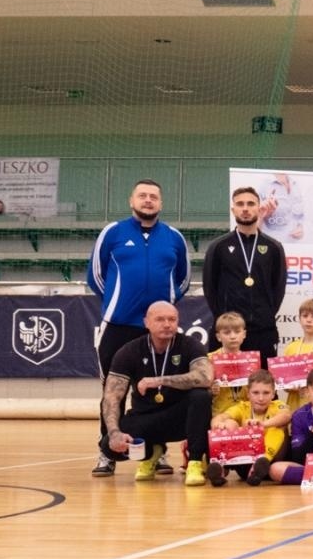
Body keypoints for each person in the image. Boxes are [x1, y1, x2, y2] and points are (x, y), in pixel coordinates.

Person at [89, 180, 191, 477]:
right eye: (143, 196)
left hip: (159, 330)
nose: (148, 201)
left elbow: (182, 280)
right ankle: (107, 453)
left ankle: (157, 452)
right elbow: (96, 276)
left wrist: (160, 312)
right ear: (131, 200)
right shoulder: (113, 232)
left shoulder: (174, 237)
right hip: (118, 326)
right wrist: (118, 304)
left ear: (161, 203)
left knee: (162, 388)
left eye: (154, 197)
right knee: (112, 392)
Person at [100, 301, 212, 486]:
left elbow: (205, 377)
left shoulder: (190, 345)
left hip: (182, 418)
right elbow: (112, 396)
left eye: (172, 319)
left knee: (201, 396)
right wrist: (114, 432)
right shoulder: (129, 351)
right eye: (160, 319)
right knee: (109, 447)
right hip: (147, 417)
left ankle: (195, 461)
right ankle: (152, 453)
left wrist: (159, 380)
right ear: (146, 323)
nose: (167, 324)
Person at [202, 186, 286, 357]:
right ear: (233, 209)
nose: (245, 208)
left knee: (262, 382)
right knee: (224, 382)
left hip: (263, 331)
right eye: (240, 204)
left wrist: (264, 315)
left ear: (259, 207)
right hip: (228, 332)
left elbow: (278, 288)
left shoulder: (273, 247)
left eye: (250, 204)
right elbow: (210, 287)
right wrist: (225, 320)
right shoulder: (218, 247)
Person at [209, 369, 290, 487]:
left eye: (266, 393)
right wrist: (218, 425)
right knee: (229, 424)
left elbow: (286, 415)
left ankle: (262, 461)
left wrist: (263, 425)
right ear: (248, 393)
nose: (261, 398)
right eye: (256, 393)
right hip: (246, 462)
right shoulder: (242, 407)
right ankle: (221, 469)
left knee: (278, 426)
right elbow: (220, 417)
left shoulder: (277, 405)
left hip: (272, 461)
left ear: (273, 393)